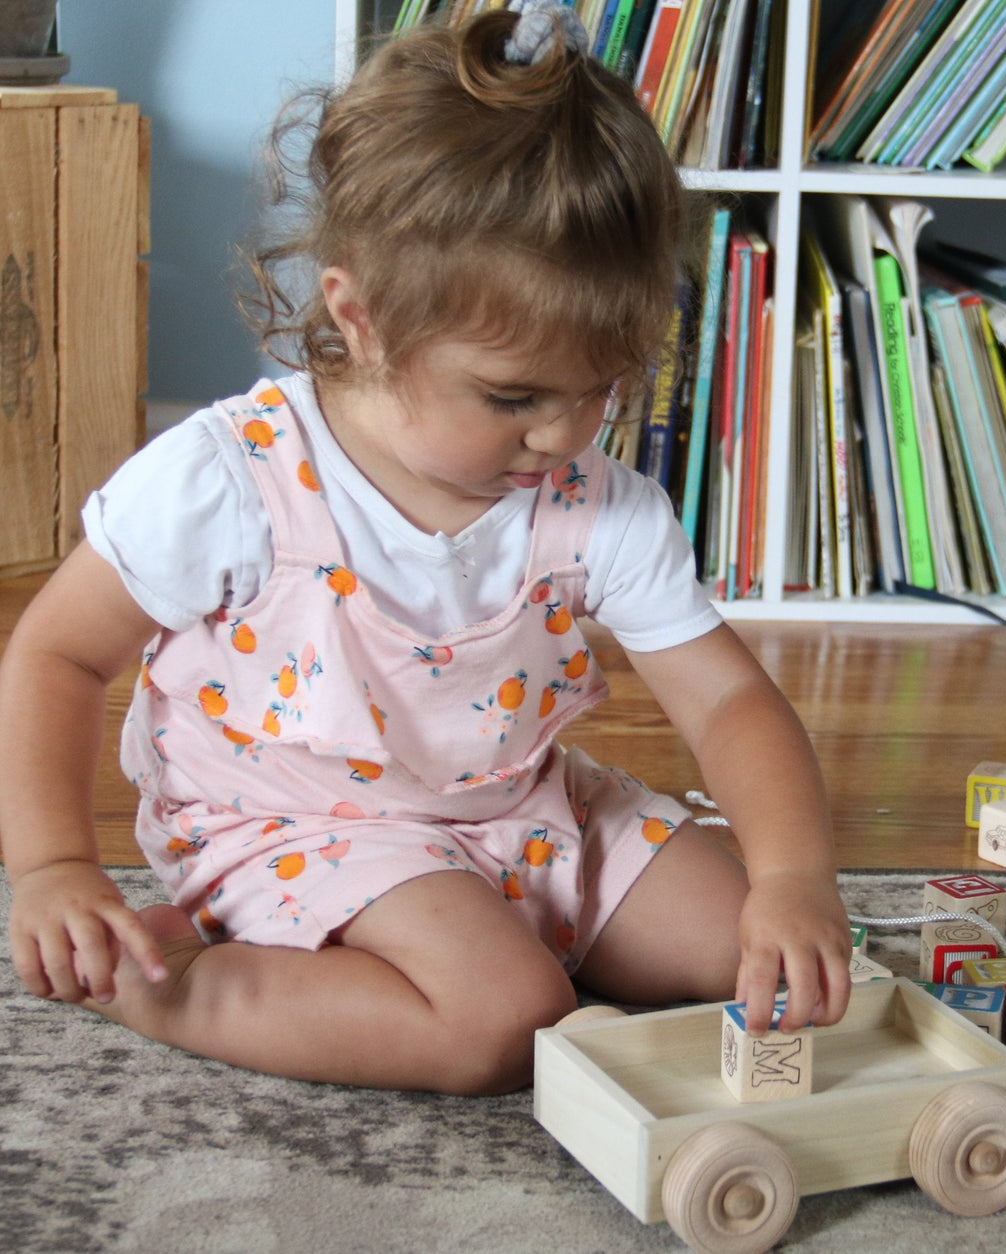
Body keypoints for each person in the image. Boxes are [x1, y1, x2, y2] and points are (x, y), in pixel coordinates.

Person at [0, 4, 851, 1095]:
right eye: (513, 396)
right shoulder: (232, 477)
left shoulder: (597, 503)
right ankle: (171, 980)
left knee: (754, 951)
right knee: (502, 1022)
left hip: (517, 809)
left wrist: (792, 878)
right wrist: (56, 867)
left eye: (603, 386)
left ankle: (502, 928)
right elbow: (56, 656)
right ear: (361, 317)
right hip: (295, 820)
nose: (564, 434)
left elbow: (727, 703)